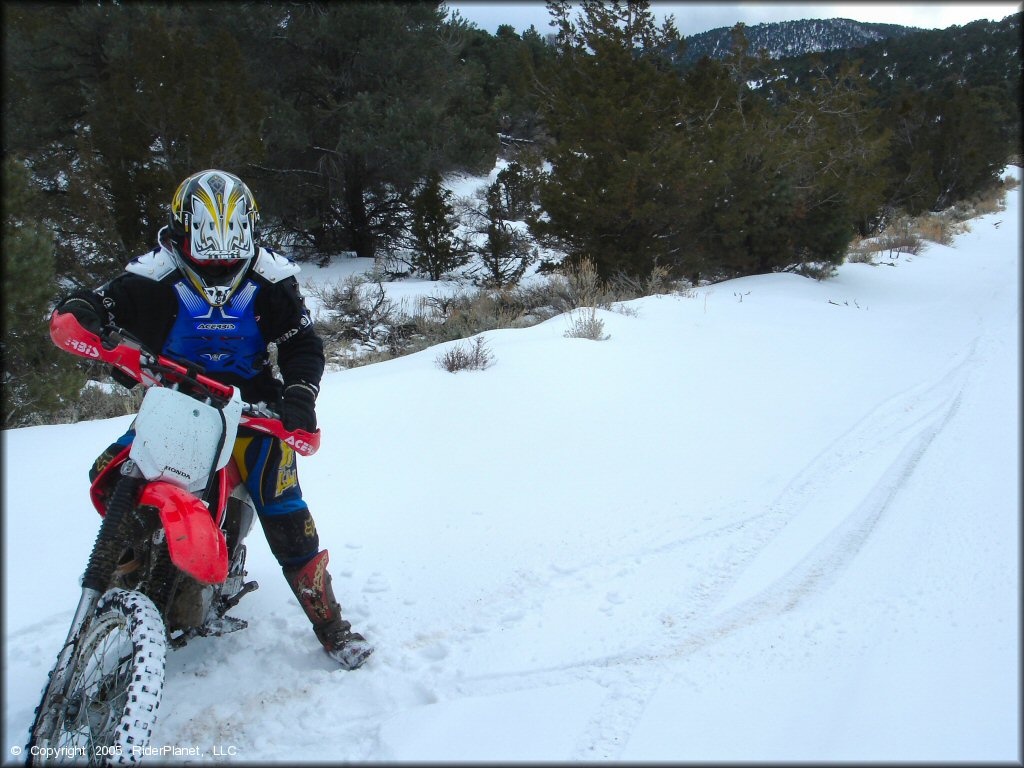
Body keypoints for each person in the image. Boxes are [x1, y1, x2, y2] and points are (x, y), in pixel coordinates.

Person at [53, 168, 373, 670]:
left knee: (283, 509)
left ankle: (331, 625)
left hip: (252, 413)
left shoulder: (270, 277)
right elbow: (101, 302)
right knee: (109, 474)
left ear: (249, 230)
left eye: (232, 241)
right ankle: (127, 579)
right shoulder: (153, 274)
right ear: (183, 230)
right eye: (207, 241)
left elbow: (301, 342)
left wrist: (299, 397)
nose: (222, 255)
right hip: (175, 403)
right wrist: (83, 310)